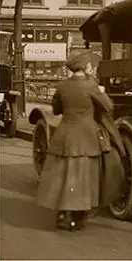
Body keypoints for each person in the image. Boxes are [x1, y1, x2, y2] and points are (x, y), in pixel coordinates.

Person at [37, 49, 125, 231]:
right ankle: (77, 218)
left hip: (64, 137)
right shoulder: (90, 86)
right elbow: (108, 107)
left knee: (63, 177)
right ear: (85, 67)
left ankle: (62, 214)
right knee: (84, 179)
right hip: (86, 139)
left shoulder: (62, 86)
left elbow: (56, 110)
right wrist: (101, 91)